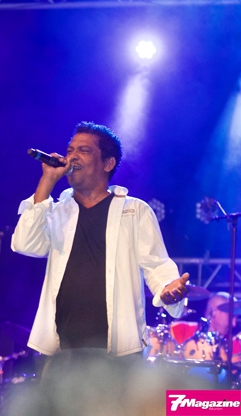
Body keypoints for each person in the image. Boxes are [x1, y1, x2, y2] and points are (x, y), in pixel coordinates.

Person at [11, 121, 189, 361]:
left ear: (108, 163)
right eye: (70, 150)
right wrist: (48, 181)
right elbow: (25, 244)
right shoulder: (56, 211)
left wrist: (167, 288)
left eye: (84, 151)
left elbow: (156, 264)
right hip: (61, 351)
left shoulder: (134, 211)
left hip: (118, 352)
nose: (72, 156)